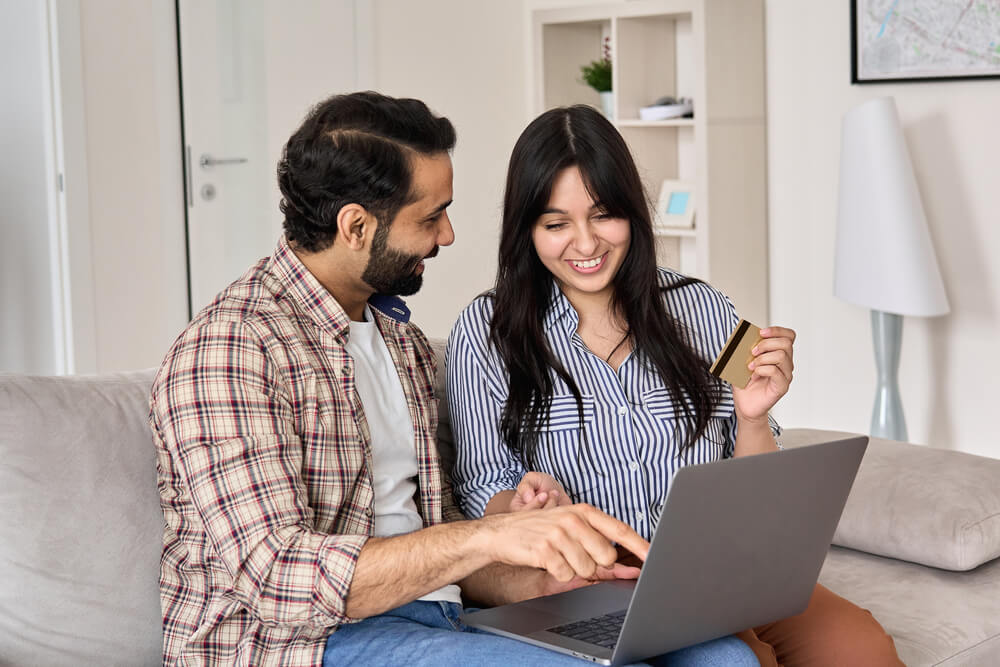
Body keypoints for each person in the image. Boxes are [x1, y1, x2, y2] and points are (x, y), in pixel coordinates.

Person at [149, 91, 757, 667]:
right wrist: (487, 536)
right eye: (431, 216)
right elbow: (276, 578)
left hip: (444, 615)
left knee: (725, 657)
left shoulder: (401, 342)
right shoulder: (230, 349)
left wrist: (546, 565)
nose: (448, 235)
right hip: (302, 642)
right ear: (356, 226)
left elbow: (448, 547)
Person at [446, 104, 904, 666]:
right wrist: (521, 504)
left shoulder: (705, 308)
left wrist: (754, 416)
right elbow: (481, 489)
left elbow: (759, 489)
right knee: (743, 657)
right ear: (526, 230)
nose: (585, 244)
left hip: (725, 571)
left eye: (603, 215)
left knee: (862, 647)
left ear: (633, 212)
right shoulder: (485, 330)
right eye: (556, 223)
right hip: (590, 590)